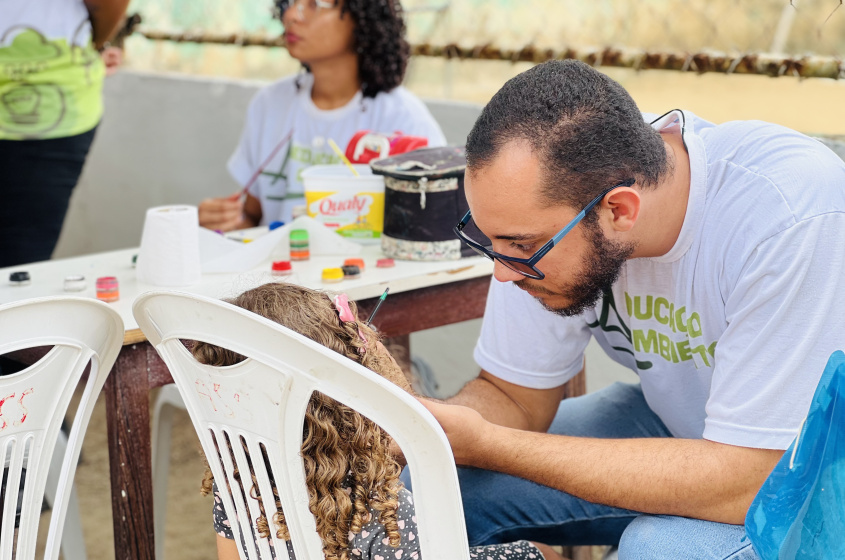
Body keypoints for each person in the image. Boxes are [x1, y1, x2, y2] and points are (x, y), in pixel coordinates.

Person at [416, 60, 845, 559]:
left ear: (619, 210)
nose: (504, 273)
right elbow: (513, 398)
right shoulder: (552, 200)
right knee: (428, 482)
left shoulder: (789, 212)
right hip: (689, 429)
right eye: (489, 240)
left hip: (809, 476)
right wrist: (426, 431)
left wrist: (490, 444)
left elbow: (748, 481)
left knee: (655, 550)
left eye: (520, 245)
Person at [192, 283, 563, 560]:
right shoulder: (379, 503)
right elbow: (408, 417)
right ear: (350, 395)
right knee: (542, 553)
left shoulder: (239, 481)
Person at [198, 0, 446, 232]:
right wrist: (226, 221)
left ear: (362, 18)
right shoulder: (269, 104)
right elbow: (254, 217)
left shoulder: (403, 119)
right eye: (291, 2)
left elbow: (428, 227)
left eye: (316, 3)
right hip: (278, 277)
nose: (292, 15)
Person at [0, 0, 129, 268]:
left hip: (43, 114)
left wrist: (86, 46)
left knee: (16, 268)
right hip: (50, 100)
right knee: (17, 268)